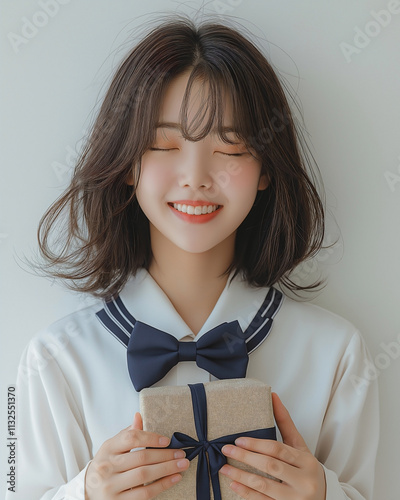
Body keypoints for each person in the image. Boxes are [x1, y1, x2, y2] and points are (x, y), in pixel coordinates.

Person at [9, 15, 379, 500]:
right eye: (165, 144)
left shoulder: (336, 356)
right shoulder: (52, 362)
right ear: (126, 164)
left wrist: (323, 495)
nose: (196, 176)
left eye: (229, 146)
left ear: (265, 168)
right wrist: (84, 493)